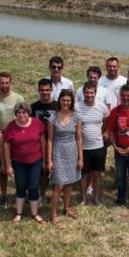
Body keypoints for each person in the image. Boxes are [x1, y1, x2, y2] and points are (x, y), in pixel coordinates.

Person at [2, 102, 47, 226]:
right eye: (19, 113)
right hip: (18, 162)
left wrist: (44, 160)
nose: (21, 115)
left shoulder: (37, 123)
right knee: (20, 186)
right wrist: (8, 165)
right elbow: (6, 146)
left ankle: (35, 213)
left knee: (33, 187)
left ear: (29, 113)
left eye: (24, 112)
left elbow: (43, 141)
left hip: (35, 161)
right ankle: (19, 213)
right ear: (16, 114)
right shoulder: (11, 126)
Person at [0, 71, 25, 210]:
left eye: (7, 83)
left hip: (17, 135)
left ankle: (20, 193)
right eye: (2, 83)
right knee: (3, 168)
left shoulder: (18, 98)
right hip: (2, 137)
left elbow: (24, 117)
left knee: (20, 167)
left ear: (10, 83)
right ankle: (3, 195)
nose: (4, 85)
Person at [46, 90, 83, 224]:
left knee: (69, 184)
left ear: (71, 102)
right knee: (59, 185)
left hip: (72, 152)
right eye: (63, 100)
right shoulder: (52, 117)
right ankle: (53, 214)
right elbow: (49, 140)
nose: (66, 103)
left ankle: (66, 208)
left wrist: (81, 158)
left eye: (68, 100)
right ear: (59, 101)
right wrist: (49, 160)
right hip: (58, 152)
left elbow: (79, 138)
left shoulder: (76, 117)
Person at [76, 82, 110, 205]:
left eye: (91, 92)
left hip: (98, 146)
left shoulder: (102, 107)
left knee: (97, 174)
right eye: (87, 92)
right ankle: (83, 198)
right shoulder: (77, 107)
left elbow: (106, 121)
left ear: (95, 93)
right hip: (83, 148)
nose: (89, 95)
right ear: (83, 93)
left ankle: (96, 198)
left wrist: (104, 131)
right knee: (83, 174)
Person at [31, 78, 59, 202]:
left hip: (55, 142)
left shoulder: (58, 106)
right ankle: (42, 195)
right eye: (42, 90)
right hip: (39, 144)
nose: (45, 92)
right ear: (38, 90)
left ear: (51, 90)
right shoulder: (33, 107)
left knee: (56, 171)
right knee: (42, 171)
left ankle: (56, 195)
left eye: (47, 90)